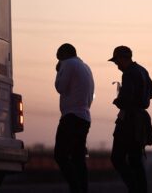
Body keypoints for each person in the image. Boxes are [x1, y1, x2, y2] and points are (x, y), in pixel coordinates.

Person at [108, 45, 152, 193]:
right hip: (140, 120)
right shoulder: (142, 70)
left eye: (117, 62)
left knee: (117, 158)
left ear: (123, 58)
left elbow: (126, 99)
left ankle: (134, 188)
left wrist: (118, 101)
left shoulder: (128, 73)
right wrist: (141, 100)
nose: (117, 66)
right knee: (136, 160)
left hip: (128, 121)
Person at [54, 43, 95, 193]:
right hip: (84, 117)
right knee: (78, 159)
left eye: (59, 58)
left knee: (60, 155)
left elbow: (60, 87)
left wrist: (59, 71)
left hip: (71, 117)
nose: (58, 62)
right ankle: (82, 189)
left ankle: (75, 188)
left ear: (64, 54)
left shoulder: (68, 63)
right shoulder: (85, 67)